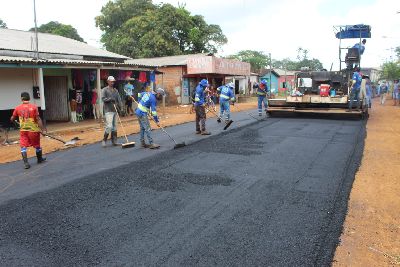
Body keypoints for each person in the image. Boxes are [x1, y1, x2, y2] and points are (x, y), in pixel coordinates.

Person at [10, 92, 46, 169]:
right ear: (29, 98)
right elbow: (38, 119)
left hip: (23, 131)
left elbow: (12, 119)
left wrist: (16, 123)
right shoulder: (34, 107)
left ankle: (26, 164)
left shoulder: (17, 108)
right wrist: (43, 130)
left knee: (23, 146)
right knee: (37, 145)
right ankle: (39, 159)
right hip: (33, 131)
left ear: (22, 98)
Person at [101, 76, 123, 147]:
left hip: (115, 110)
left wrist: (121, 108)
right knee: (109, 126)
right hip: (108, 110)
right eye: (111, 81)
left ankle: (114, 141)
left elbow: (119, 99)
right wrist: (110, 99)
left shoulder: (116, 90)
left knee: (115, 126)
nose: (112, 83)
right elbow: (103, 99)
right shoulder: (104, 90)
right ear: (108, 81)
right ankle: (104, 140)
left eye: (113, 81)